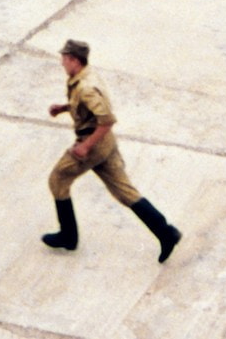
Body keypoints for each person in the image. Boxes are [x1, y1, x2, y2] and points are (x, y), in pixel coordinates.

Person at [41, 38, 181, 261]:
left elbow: (106, 120)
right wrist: (65, 108)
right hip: (106, 144)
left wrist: (86, 146)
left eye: (65, 59)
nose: (62, 63)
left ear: (74, 60)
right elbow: (86, 107)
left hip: (93, 143)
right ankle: (166, 232)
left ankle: (68, 236)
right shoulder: (85, 76)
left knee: (58, 180)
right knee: (125, 191)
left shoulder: (86, 88)